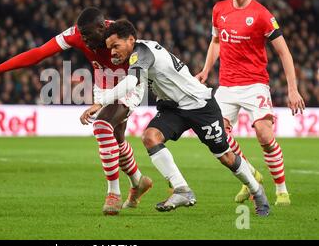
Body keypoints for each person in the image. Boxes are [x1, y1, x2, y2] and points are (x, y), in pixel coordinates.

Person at [0, 7, 152, 215]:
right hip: (103, 86)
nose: (85, 41)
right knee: (116, 138)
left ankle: (113, 194)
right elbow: (38, 54)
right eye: (82, 36)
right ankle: (138, 181)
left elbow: (145, 55)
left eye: (89, 36)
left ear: (102, 28)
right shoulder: (75, 35)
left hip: (129, 84)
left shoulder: (119, 33)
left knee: (102, 127)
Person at [81, 19, 270, 216]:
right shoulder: (138, 55)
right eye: (109, 48)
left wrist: (100, 103)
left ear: (130, 40)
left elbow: (131, 82)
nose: (112, 52)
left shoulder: (142, 51)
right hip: (173, 108)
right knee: (150, 137)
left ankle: (257, 192)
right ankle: (182, 190)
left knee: (225, 156)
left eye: (115, 46)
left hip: (200, 106)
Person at [195, 0, 305, 206]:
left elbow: (284, 54)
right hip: (226, 85)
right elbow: (216, 43)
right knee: (217, 136)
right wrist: (205, 70)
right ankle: (250, 177)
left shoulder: (262, 15)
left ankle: (281, 190)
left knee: (265, 135)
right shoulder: (219, 10)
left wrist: (293, 89)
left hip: (255, 84)